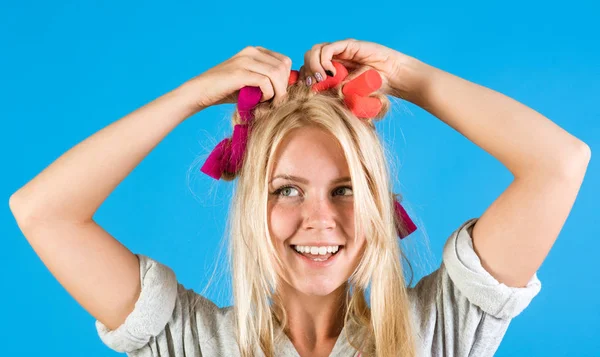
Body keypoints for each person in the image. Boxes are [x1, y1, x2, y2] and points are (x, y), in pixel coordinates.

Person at [9, 39, 591, 357]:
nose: (321, 218)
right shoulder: (194, 344)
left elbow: (559, 166)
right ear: (251, 209)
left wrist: (408, 75)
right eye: (288, 190)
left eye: (344, 190)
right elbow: (42, 212)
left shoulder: (435, 331)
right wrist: (191, 95)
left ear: (377, 207)